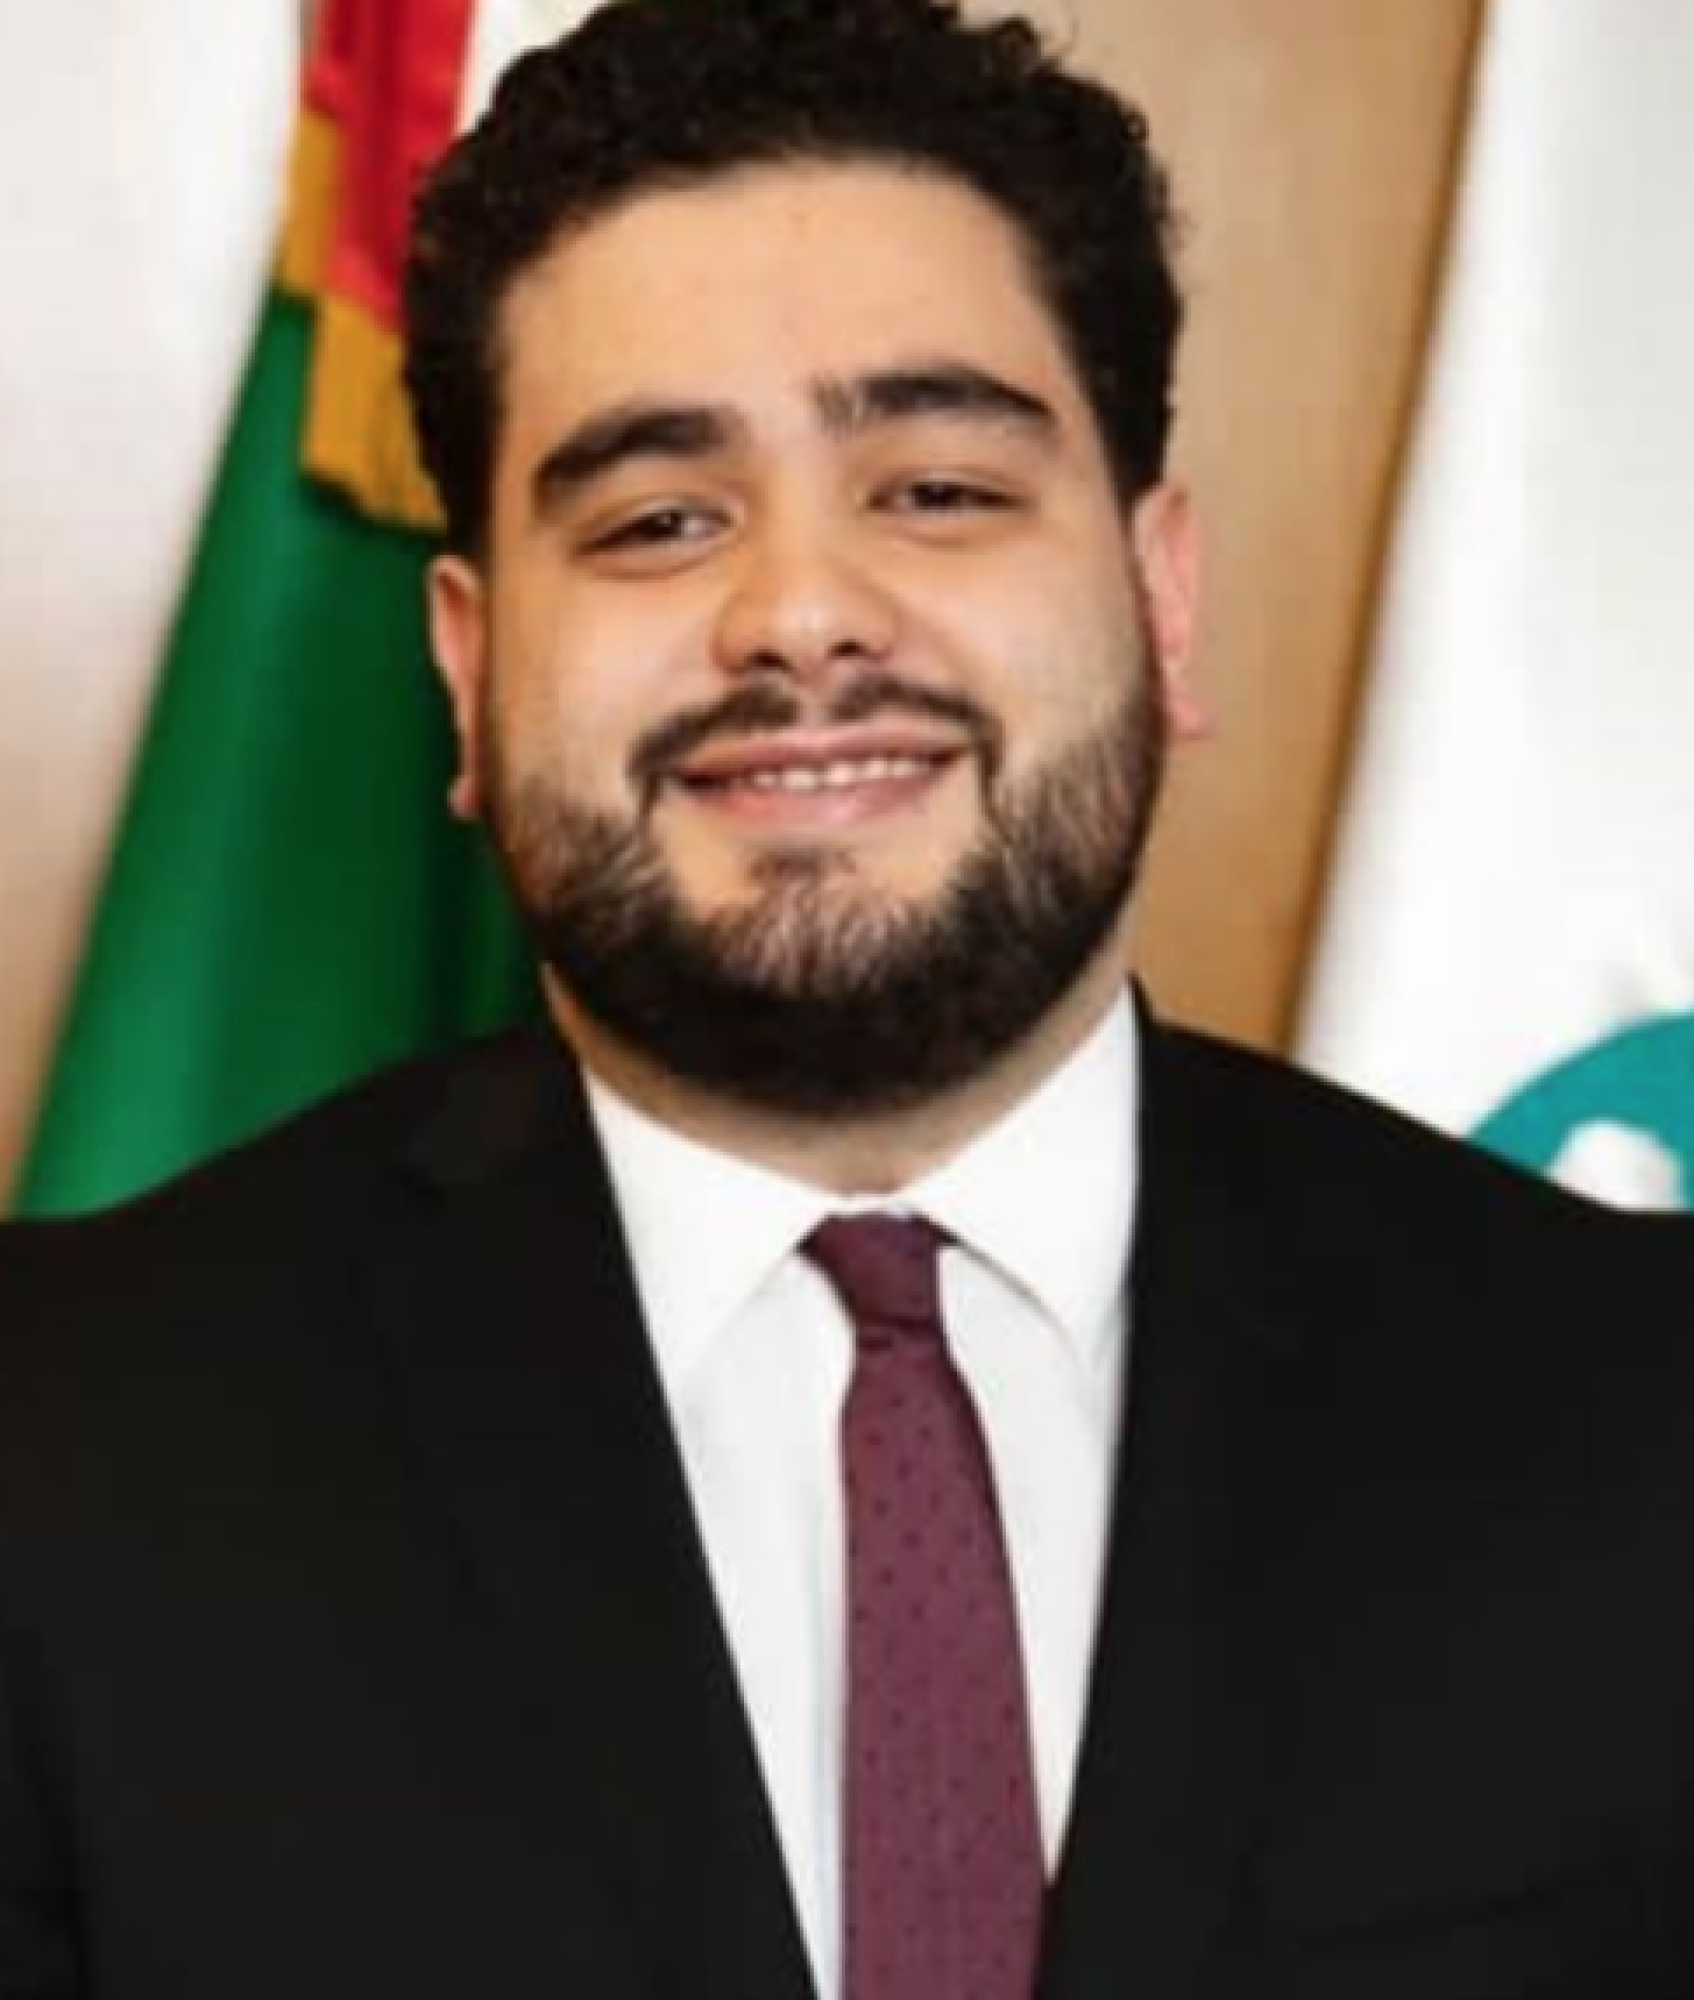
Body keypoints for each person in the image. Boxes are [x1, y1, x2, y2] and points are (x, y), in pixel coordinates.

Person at [2, 0, 1692, 1994]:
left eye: (937, 491)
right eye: (657, 520)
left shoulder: (1632, 1404)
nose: (800, 614)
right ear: (466, 667)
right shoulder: (62, 1447)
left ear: (1161, 599)